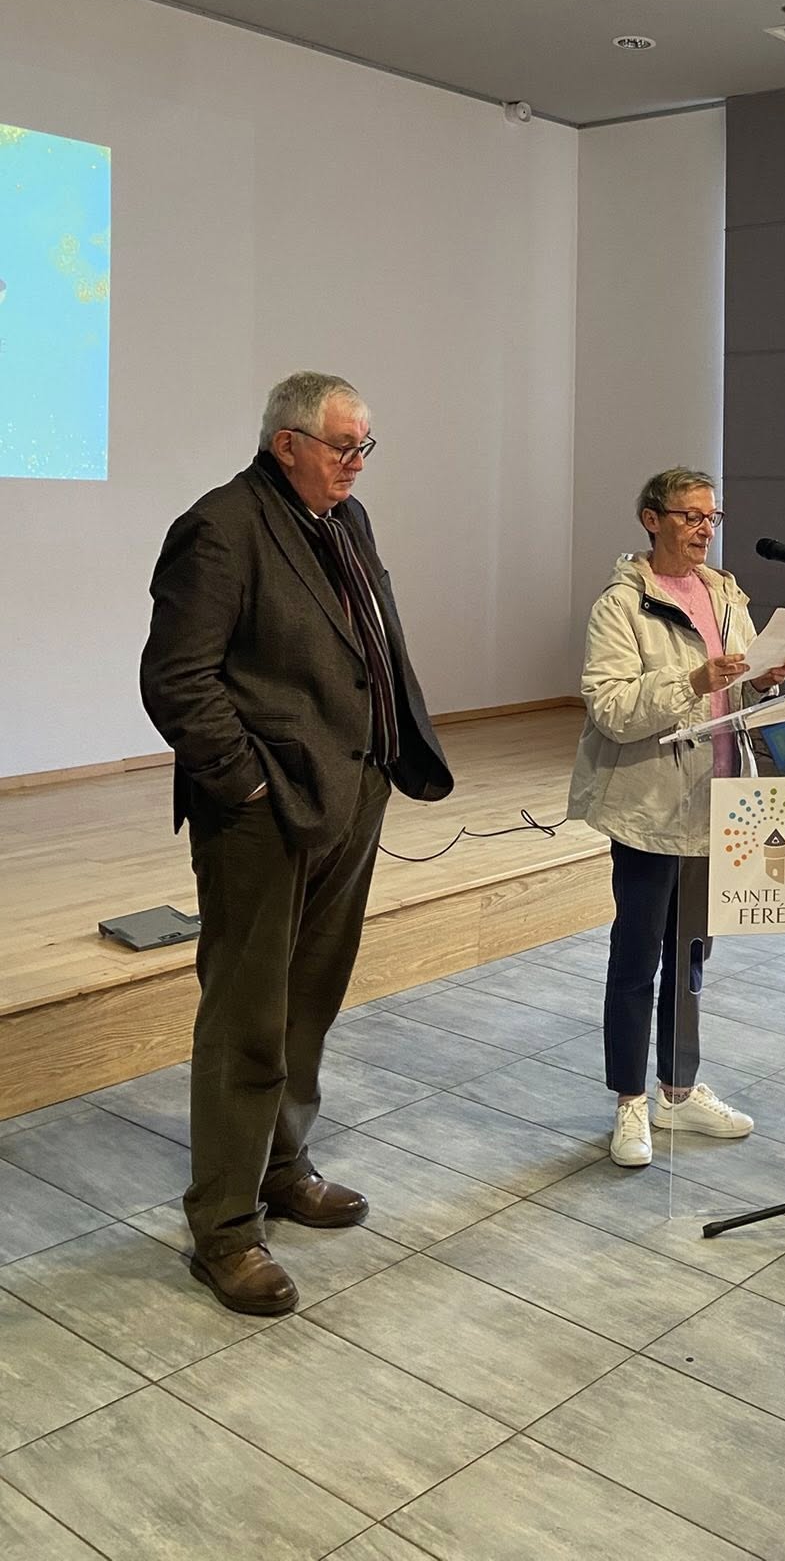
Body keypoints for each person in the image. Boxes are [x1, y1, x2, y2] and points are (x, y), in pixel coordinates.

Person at [140, 371, 452, 1315]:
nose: (356, 463)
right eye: (341, 447)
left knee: (308, 997)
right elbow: (176, 680)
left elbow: (369, 643)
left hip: (351, 791)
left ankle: (282, 1165)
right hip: (262, 813)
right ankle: (226, 1228)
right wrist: (247, 785)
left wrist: (381, 757)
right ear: (285, 443)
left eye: (366, 447)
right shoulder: (221, 527)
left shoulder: (344, 520)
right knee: (246, 1014)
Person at [569, 467, 785, 1167]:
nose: (704, 528)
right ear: (651, 518)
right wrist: (695, 681)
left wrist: (764, 675)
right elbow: (609, 706)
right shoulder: (622, 605)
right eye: (690, 515)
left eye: (712, 517)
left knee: (692, 956)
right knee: (637, 958)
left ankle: (677, 1089)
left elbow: (743, 679)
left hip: (718, 799)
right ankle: (629, 1104)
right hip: (649, 805)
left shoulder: (725, 593)